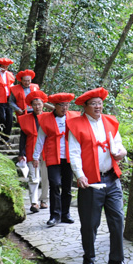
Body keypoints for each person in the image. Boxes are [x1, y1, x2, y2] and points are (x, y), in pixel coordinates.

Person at [67, 87, 130, 264]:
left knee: (118, 219)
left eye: (100, 103)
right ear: (85, 106)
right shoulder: (76, 125)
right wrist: (79, 175)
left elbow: (118, 145)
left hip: (112, 178)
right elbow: (74, 153)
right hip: (91, 182)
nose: (98, 106)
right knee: (90, 223)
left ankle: (117, 260)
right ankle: (89, 259)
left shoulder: (110, 122)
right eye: (93, 103)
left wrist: (122, 153)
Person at [32, 93, 79, 227]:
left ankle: (65, 214)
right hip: (53, 157)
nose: (65, 108)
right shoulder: (46, 119)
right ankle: (54, 215)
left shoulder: (74, 117)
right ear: (55, 106)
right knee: (54, 184)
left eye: (67, 105)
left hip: (69, 157)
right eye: (61, 105)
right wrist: (35, 157)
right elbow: (40, 139)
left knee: (67, 187)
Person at [18, 90, 50, 213]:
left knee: (46, 177)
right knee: (34, 177)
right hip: (31, 149)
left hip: (47, 151)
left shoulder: (49, 117)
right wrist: (22, 153)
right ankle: (34, 202)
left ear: (43, 104)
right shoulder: (26, 119)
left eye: (39, 104)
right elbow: (23, 137)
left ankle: (44, 200)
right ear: (31, 105)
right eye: (35, 104)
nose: (37, 106)